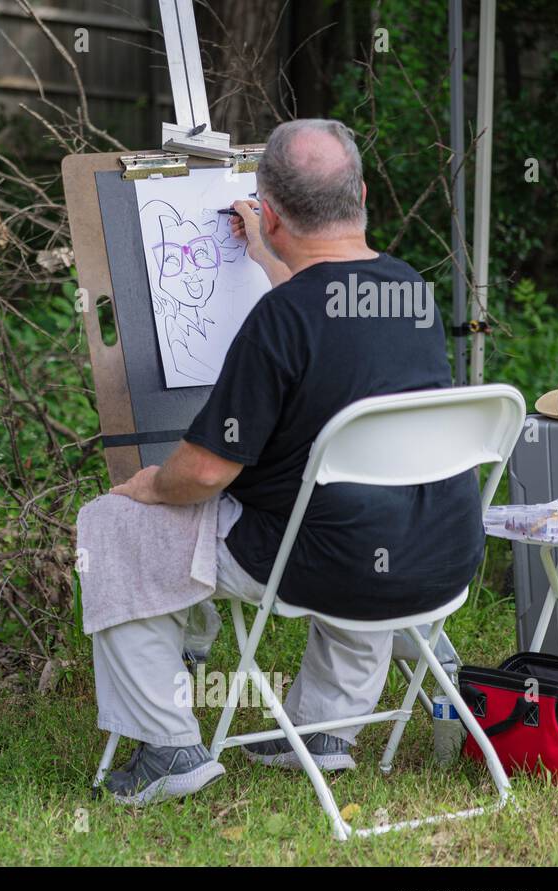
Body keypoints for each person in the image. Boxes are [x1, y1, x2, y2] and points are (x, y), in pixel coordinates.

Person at [94, 118, 484, 804]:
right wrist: (274, 264)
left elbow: (205, 474)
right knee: (358, 507)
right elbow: (328, 311)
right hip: (437, 556)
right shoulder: (409, 294)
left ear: (267, 214)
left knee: (112, 524)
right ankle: (327, 730)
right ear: (361, 193)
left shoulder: (280, 321)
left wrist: (152, 484)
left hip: (332, 563)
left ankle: (170, 749)